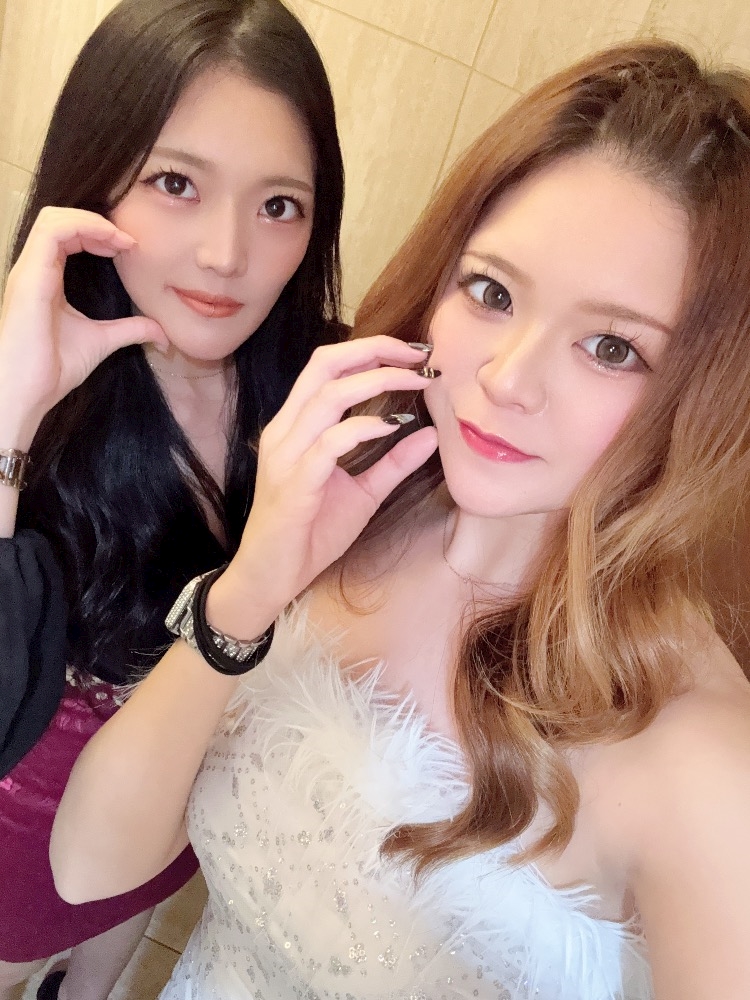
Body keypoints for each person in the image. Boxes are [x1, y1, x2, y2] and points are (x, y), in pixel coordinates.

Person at [51, 40, 750, 1000]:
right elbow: (89, 866)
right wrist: (249, 585)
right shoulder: (354, 508)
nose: (507, 379)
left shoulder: (702, 759)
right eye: (492, 292)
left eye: (611, 347)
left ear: (707, 400)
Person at [0, 0, 345, 997]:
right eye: (177, 184)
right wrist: (11, 413)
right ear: (94, 175)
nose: (227, 255)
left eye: (279, 205)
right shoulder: (23, 384)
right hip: (16, 837)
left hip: (165, 832)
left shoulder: (313, 393)